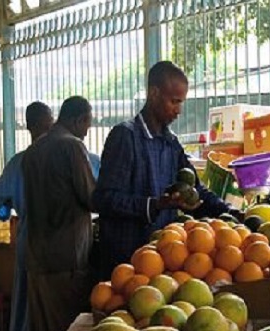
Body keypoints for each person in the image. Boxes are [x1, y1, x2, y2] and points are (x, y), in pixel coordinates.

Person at [93, 61, 239, 279]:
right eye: (174, 102)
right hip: (125, 266)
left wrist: (231, 214)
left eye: (181, 103)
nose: (179, 111)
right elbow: (104, 199)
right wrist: (156, 204)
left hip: (164, 264)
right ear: (153, 93)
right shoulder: (125, 136)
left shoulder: (171, 143)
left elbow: (196, 191)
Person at [22, 96, 96, 331]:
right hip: (68, 259)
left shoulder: (32, 152)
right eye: (88, 124)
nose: (87, 132)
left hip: (37, 259)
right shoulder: (72, 146)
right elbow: (91, 198)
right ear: (79, 120)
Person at [0, 102, 53, 331]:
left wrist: (7, 211)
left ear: (28, 126)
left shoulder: (17, 162)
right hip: (60, 242)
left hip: (27, 240)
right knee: (53, 310)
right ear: (51, 123)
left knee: (23, 308)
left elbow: (0, 207)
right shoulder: (71, 153)